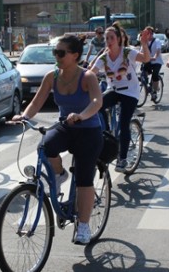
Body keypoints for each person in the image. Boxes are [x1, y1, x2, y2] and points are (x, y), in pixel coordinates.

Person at [12, 35, 103, 244]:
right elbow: (36, 102)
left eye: (61, 53)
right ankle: (60, 174)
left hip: (88, 130)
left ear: (75, 56)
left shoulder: (87, 76)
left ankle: (83, 226)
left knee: (83, 179)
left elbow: (97, 102)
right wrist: (24, 116)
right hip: (66, 126)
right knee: (45, 146)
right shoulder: (51, 76)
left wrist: (82, 115)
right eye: (55, 52)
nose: (57, 56)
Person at [90, 25, 151, 172]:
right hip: (114, 90)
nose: (109, 41)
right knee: (96, 106)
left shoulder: (127, 53)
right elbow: (91, 73)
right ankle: (108, 132)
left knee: (124, 124)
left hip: (130, 92)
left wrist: (143, 43)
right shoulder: (104, 57)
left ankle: (122, 159)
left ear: (118, 39)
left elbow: (146, 58)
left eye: (112, 38)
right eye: (106, 38)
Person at [141, 26, 163, 102]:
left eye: (150, 33)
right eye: (147, 33)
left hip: (156, 61)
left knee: (155, 75)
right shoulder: (144, 42)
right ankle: (146, 85)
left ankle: (155, 91)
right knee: (143, 72)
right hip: (148, 61)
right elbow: (141, 52)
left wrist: (155, 57)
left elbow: (158, 50)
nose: (149, 34)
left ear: (152, 33)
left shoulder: (156, 41)